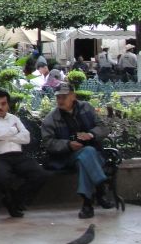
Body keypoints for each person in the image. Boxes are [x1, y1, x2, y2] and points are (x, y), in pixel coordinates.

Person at [41, 83, 115, 219]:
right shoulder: (51, 119)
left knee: (86, 157)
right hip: (66, 157)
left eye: (64, 97)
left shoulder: (86, 108)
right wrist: (68, 145)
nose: (60, 100)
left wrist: (91, 135)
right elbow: (48, 143)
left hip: (94, 154)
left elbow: (103, 128)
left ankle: (87, 204)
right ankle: (100, 188)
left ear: (73, 96)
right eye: (58, 97)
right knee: (86, 153)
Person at [0, 89, 50, 217]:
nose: (0, 107)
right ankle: (14, 203)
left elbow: (26, 138)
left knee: (40, 174)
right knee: (3, 177)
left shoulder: (14, 118)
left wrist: (4, 136)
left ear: (8, 104)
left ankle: (14, 200)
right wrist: (13, 131)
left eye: (3, 103)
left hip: (18, 156)